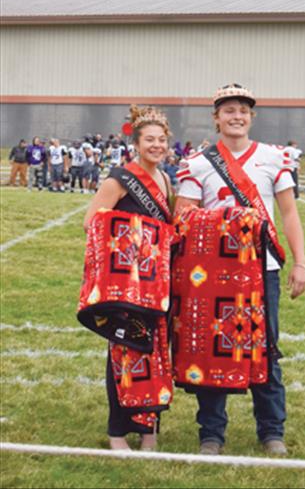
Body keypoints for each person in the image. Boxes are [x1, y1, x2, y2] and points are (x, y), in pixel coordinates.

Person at [175, 82, 305, 457]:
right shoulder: (197, 164)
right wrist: (226, 220)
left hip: (262, 270)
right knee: (211, 348)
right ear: (216, 118)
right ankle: (211, 434)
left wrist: (300, 263)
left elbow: (289, 213)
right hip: (213, 274)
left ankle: (272, 431)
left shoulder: (273, 157)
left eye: (243, 110)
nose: (237, 117)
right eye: (229, 110)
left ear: (251, 116)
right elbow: (182, 218)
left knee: (267, 349)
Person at [83, 105, 174, 452]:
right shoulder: (118, 179)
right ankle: (117, 431)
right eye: (149, 139)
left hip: (157, 284)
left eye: (162, 140)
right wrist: (137, 238)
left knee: (156, 353)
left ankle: (149, 429)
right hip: (128, 286)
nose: (156, 145)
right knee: (125, 352)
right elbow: (92, 223)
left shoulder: (166, 179)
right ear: (136, 143)